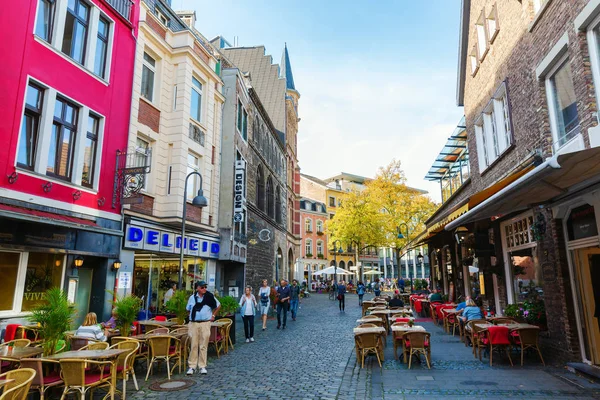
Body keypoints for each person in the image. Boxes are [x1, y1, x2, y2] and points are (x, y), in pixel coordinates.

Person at [186, 281, 221, 376]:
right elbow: (188, 309)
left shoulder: (209, 297)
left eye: (205, 287)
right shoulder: (192, 298)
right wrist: (192, 318)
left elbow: (218, 305)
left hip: (205, 323)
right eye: (202, 287)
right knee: (193, 344)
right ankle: (192, 366)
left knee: (203, 345)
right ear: (197, 288)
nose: (204, 289)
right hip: (194, 323)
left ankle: (202, 366)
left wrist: (213, 315)